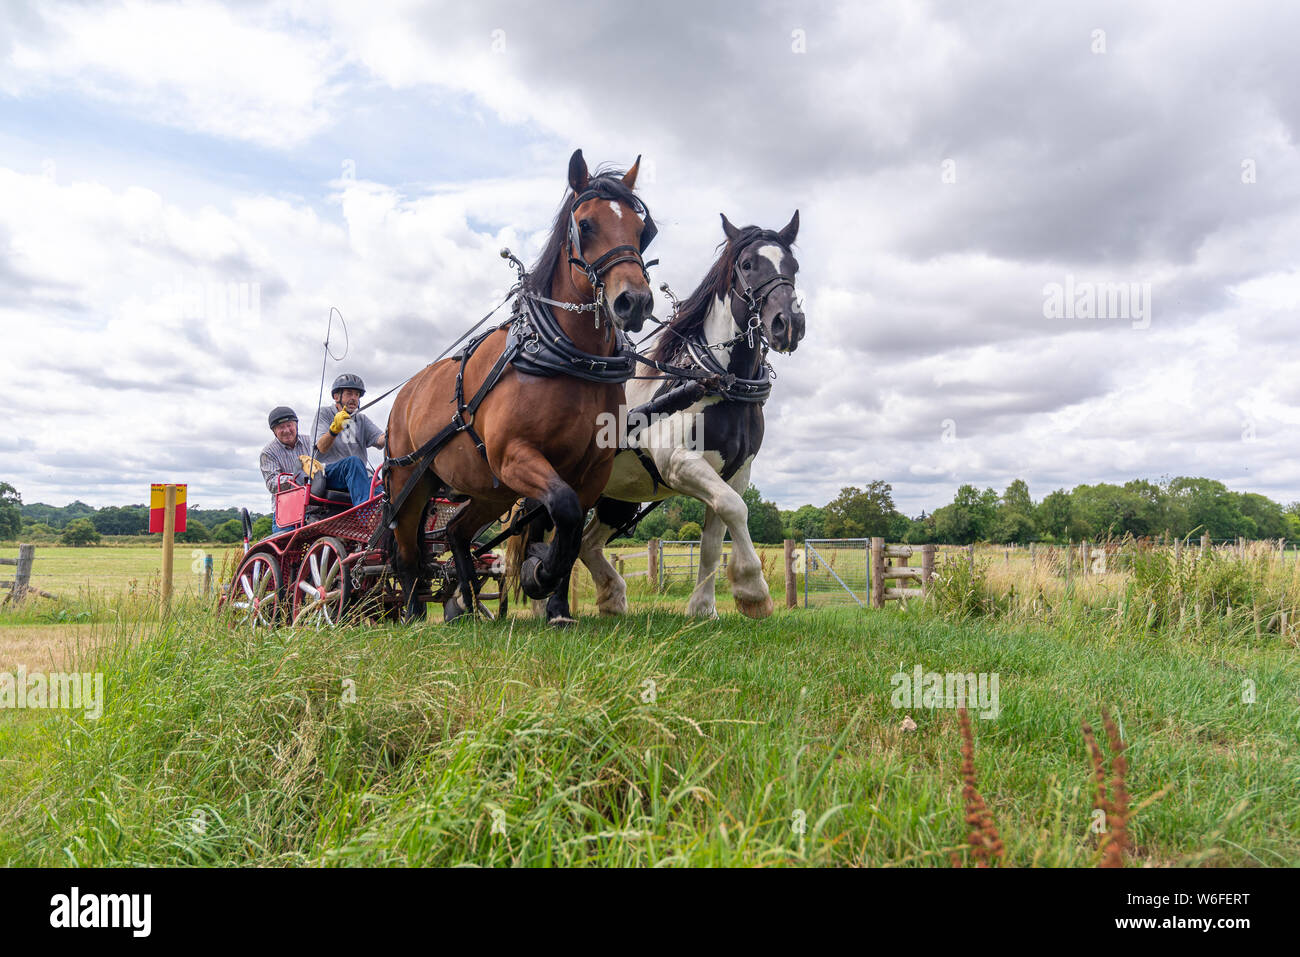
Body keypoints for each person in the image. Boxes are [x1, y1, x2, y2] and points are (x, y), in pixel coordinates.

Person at [258, 406, 372, 535]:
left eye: (289, 425)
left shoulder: (310, 441)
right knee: (284, 549)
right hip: (288, 513)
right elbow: (273, 484)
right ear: (274, 431)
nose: (286, 430)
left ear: (296, 425)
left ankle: (369, 516)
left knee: (361, 469)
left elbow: (328, 462)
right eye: (280, 428)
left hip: (318, 508)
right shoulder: (268, 453)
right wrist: (299, 476)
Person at [314, 373, 386, 472]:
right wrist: (333, 431)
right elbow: (321, 447)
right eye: (349, 393)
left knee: (382, 483)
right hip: (327, 473)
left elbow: (381, 440)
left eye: (357, 395)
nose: (354, 398)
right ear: (336, 396)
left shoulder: (361, 419)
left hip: (356, 472)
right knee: (354, 462)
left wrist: (396, 430)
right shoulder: (325, 413)